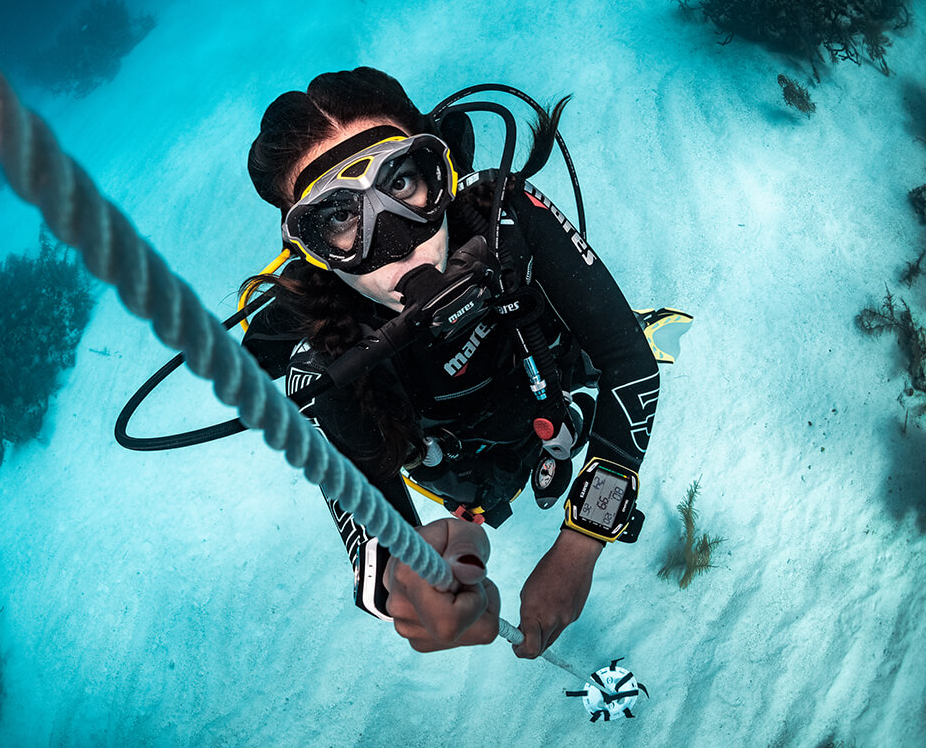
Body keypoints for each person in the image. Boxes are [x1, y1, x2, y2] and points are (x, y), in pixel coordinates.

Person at [240, 67, 665, 659]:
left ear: (440, 170)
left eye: (402, 182)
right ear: (310, 250)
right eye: (340, 218)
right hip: (451, 456)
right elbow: (370, 525)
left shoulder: (505, 214)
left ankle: (560, 434)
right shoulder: (326, 357)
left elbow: (629, 361)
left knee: (584, 379)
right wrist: (408, 590)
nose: (396, 243)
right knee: (473, 496)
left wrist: (581, 543)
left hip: (547, 382)